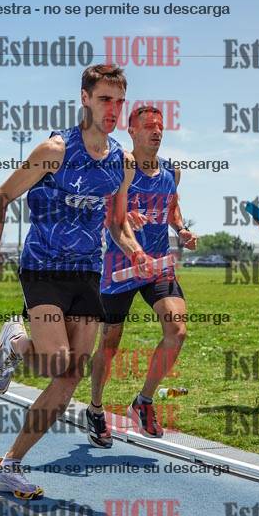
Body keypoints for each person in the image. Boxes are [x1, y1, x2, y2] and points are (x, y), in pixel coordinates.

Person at [0, 64, 149, 500]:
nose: (112, 109)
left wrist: (134, 250)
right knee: (55, 363)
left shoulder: (122, 163)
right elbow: (0, 197)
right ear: (85, 99)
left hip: (86, 271)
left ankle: (9, 466)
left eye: (119, 101)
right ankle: (16, 343)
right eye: (104, 99)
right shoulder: (55, 150)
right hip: (44, 267)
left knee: (69, 376)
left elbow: (117, 222)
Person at [85, 105, 197, 446]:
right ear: (132, 131)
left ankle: (143, 401)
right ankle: (95, 408)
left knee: (177, 330)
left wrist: (181, 229)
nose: (156, 131)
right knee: (110, 343)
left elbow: (172, 205)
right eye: (148, 126)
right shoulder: (120, 167)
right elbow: (105, 213)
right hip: (119, 269)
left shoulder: (172, 171)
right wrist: (126, 215)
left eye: (160, 126)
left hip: (157, 265)